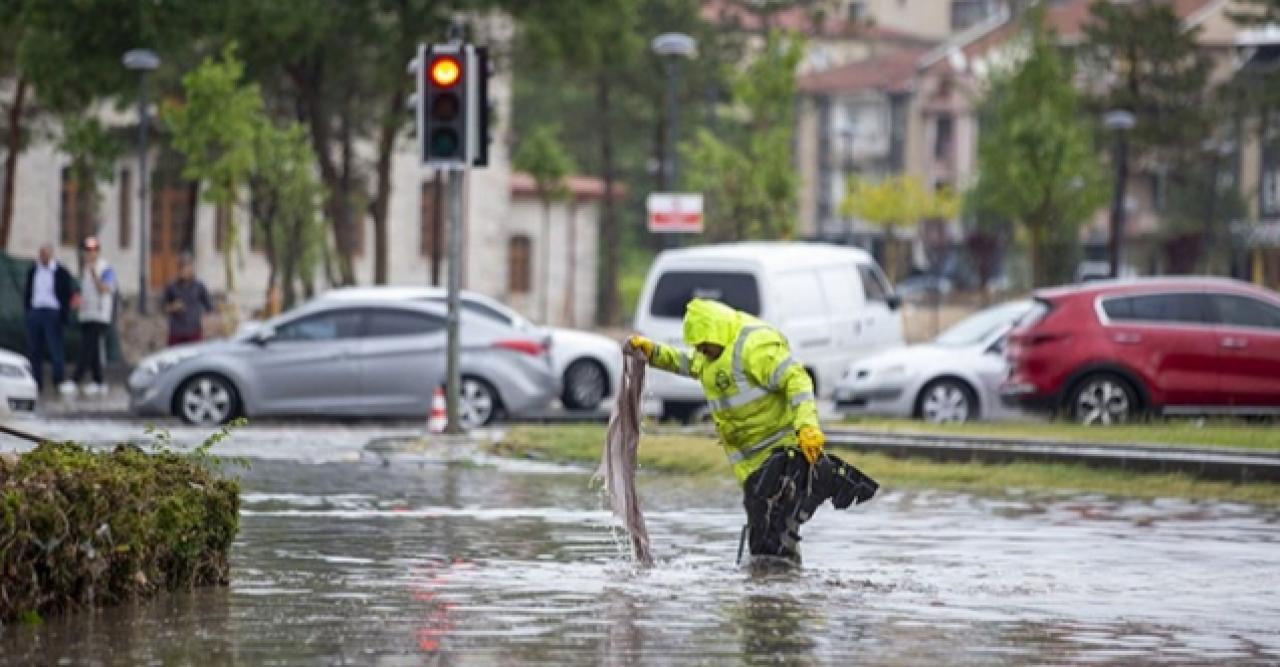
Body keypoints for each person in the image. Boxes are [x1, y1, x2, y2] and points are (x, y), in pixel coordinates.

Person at [628, 298, 875, 564]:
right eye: (697, 347)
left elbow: (797, 379)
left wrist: (807, 427)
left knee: (772, 533)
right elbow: (685, 363)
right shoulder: (709, 355)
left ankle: (774, 593)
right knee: (770, 533)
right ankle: (774, 591)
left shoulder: (754, 347)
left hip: (782, 454)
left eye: (704, 345)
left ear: (716, 333)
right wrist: (652, 352)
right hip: (751, 465)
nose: (701, 350)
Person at [22, 244, 76, 393]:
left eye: (46, 254)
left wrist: (63, 313)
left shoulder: (60, 272)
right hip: (36, 311)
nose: (43, 257)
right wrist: (29, 311)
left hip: (53, 312)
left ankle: (58, 380)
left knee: (55, 347)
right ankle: (36, 381)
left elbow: (67, 293)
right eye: (41, 254)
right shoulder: (34, 271)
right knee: (34, 349)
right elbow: (27, 291)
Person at [70, 235, 115, 396]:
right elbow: (85, 292)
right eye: (87, 250)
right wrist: (78, 301)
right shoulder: (85, 270)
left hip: (99, 314)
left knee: (86, 348)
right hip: (87, 314)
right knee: (94, 350)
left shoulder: (105, 268)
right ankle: (99, 382)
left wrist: (95, 274)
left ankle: (76, 380)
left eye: (93, 249)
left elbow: (105, 289)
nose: (90, 253)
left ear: (98, 251)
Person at [162, 254, 213, 346]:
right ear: (178, 269)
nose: (185, 270)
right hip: (176, 333)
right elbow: (162, 307)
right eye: (182, 267)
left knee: (195, 358)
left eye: (188, 266)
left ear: (192, 268)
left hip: (194, 332)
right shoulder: (171, 286)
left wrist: (205, 320)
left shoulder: (199, 286)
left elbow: (209, 306)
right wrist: (172, 307)